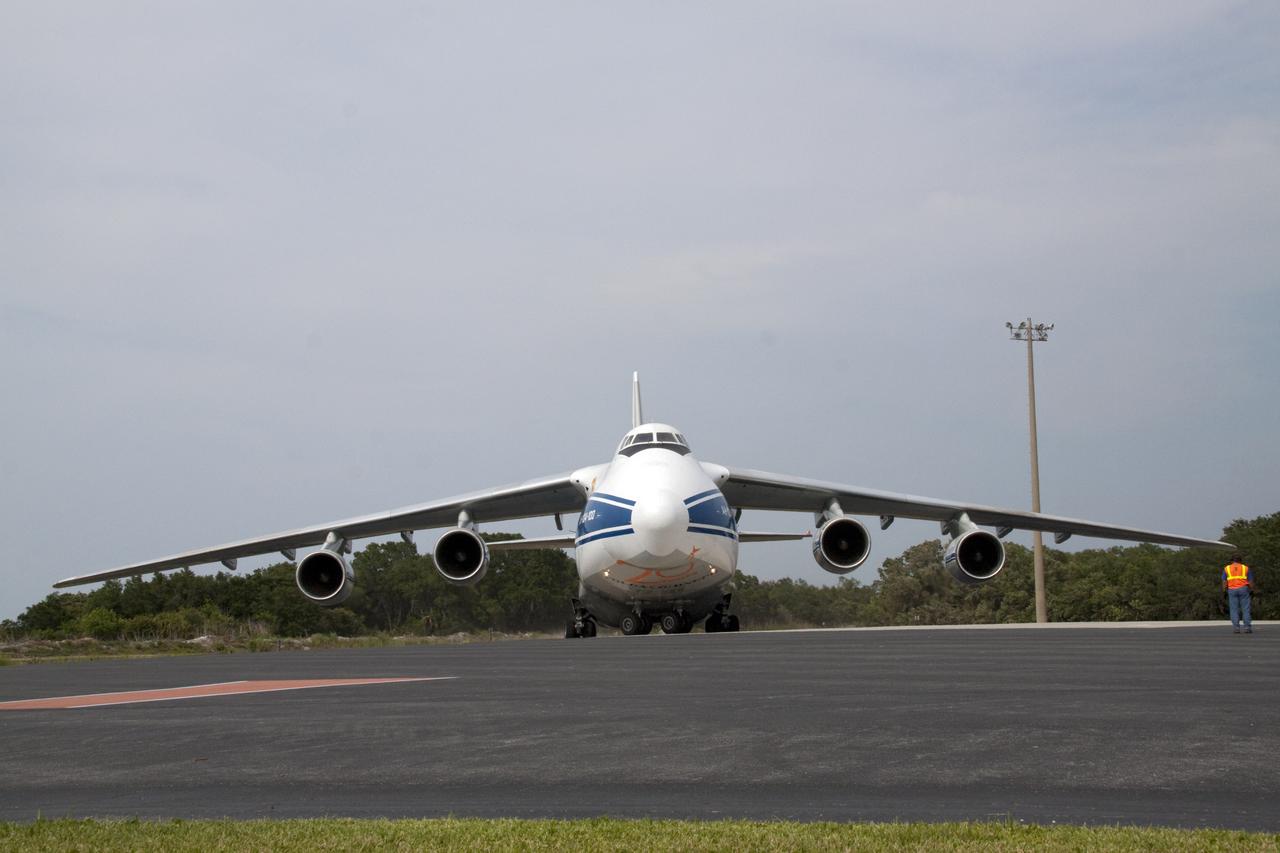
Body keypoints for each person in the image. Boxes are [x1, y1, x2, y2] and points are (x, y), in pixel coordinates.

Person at [1222, 554, 1254, 634]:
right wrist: (1252, 590)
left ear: (1232, 561)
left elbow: (1224, 581)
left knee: (1234, 610)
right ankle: (1247, 628)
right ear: (1240, 561)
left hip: (1232, 590)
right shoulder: (1245, 568)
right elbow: (1250, 581)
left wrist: (1224, 590)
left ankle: (1236, 628)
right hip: (1244, 589)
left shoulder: (1227, 568)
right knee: (1246, 609)